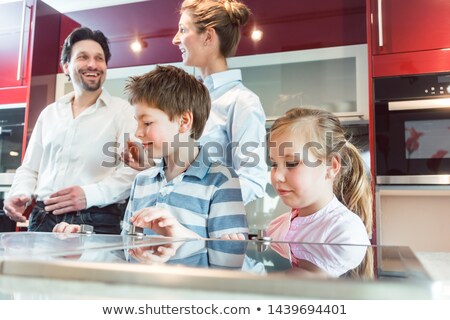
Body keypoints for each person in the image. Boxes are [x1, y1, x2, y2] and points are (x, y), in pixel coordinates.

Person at [54, 65, 249, 240]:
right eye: (138, 123)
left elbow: (227, 262)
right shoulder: (142, 181)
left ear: (184, 122)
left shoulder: (222, 181)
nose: (138, 133)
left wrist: (180, 236)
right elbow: (127, 249)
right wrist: (83, 241)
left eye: (147, 123)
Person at [3, 27, 138, 234]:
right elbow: (30, 169)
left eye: (99, 58)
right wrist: (19, 193)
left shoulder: (124, 113)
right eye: (83, 57)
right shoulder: (49, 114)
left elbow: (132, 172)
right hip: (43, 218)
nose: (93, 64)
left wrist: (89, 195)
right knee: (37, 269)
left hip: (96, 220)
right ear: (66, 66)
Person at [170, 0, 268, 205]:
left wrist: (201, 204)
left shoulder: (242, 101)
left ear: (208, 36)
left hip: (211, 231)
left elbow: (253, 181)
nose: (175, 39)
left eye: (182, 30)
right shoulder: (185, 99)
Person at [266, 107, 372, 245]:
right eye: (274, 164)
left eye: (292, 163)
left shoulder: (345, 232)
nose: (277, 176)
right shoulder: (276, 227)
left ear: (331, 166)